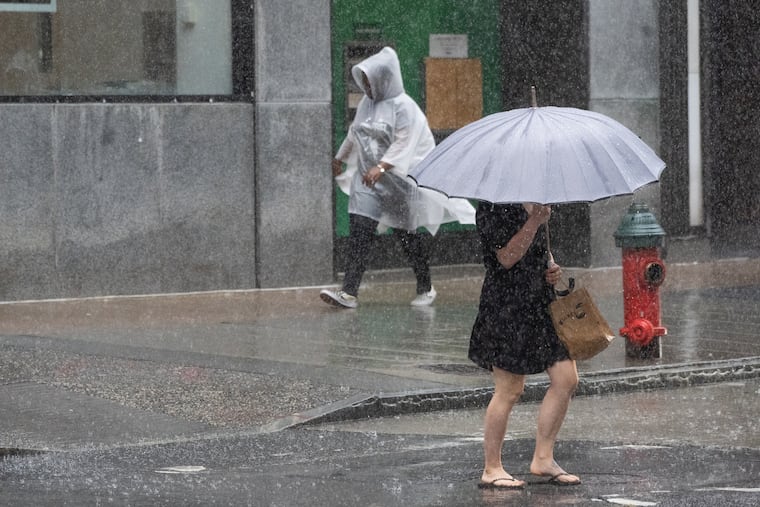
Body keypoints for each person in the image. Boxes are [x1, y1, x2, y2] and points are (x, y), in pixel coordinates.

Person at [320, 47, 474, 309]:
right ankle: (349, 292)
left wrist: (382, 166)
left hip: (400, 184)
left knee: (407, 237)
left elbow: (406, 142)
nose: (366, 86)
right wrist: (340, 158)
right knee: (360, 230)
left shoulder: (405, 108)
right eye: (364, 80)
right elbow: (354, 132)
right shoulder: (367, 105)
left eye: (370, 80)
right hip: (368, 181)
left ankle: (425, 285)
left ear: (384, 78)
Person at [468, 201, 581, 489]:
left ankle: (543, 458)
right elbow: (506, 257)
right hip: (507, 307)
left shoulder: (538, 199)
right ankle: (492, 468)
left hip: (541, 305)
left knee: (566, 378)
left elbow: (539, 252)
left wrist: (551, 266)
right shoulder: (492, 207)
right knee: (509, 389)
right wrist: (534, 221)